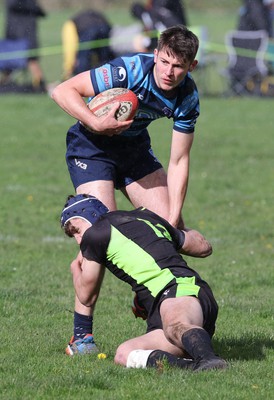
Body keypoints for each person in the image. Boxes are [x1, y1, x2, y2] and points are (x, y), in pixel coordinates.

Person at [51, 25, 201, 353]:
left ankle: (146, 297)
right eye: (163, 61)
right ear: (156, 54)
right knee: (102, 237)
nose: (168, 72)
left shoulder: (187, 95)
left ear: (191, 66)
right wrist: (95, 122)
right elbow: (63, 90)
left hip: (134, 151)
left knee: (166, 234)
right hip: (92, 147)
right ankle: (81, 336)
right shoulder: (130, 70)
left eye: (178, 66)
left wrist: (172, 219)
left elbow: (179, 161)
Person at [60, 194, 227, 372]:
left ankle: (209, 360)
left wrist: (75, 268)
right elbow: (203, 247)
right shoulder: (146, 217)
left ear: (89, 215)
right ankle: (193, 366)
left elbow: (86, 296)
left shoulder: (95, 234)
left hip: (178, 290)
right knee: (124, 354)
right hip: (191, 303)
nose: (79, 240)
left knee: (175, 326)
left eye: (77, 231)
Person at [62, 9, 153, 81]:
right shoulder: (91, 16)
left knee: (83, 59)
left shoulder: (70, 24)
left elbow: (70, 50)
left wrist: (68, 71)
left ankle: (81, 82)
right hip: (104, 28)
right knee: (105, 60)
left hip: (90, 31)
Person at [3, 0, 46, 90]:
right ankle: (4, 83)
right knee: (10, 60)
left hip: (27, 34)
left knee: (31, 59)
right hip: (15, 35)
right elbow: (13, 5)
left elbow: (41, 13)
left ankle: (40, 85)